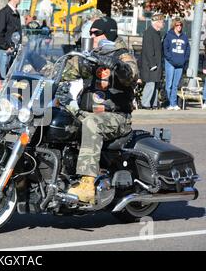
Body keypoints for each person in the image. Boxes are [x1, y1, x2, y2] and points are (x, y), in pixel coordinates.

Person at [65, 17, 139, 203]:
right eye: (90, 33)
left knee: (92, 123)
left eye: (96, 33)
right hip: (87, 112)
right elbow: (64, 70)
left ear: (109, 34)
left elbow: (131, 75)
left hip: (116, 117)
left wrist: (116, 66)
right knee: (57, 118)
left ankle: (87, 184)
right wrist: (38, 70)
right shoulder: (90, 55)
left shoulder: (122, 55)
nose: (92, 36)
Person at [0, 0, 22, 79]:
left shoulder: (16, 12)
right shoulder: (4, 12)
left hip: (14, 50)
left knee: (11, 79)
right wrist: (6, 47)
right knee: (3, 78)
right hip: (4, 51)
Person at [163, 18, 190, 110]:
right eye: (177, 25)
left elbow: (187, 50)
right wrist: (170, 59)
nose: (179, 27)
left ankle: (173, 103)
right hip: (170, 63)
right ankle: (170, 103)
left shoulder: (184, 37)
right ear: (174, 25)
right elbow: (165, 49)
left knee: (175, 85)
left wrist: (184, 60)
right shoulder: (169, 35)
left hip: (180, 64)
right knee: (169, 84)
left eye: (180, 25)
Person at [140, 13, 165, 109]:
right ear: (157, 22)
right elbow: (148, 49)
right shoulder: (149, 32)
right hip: (150, 64)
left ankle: (153, 103)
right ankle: (145, 103)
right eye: (162, 22)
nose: (163, 24)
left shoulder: (156, 33)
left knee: (155, 84)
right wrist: (152, 64)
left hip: (156, 62)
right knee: (150, 84)